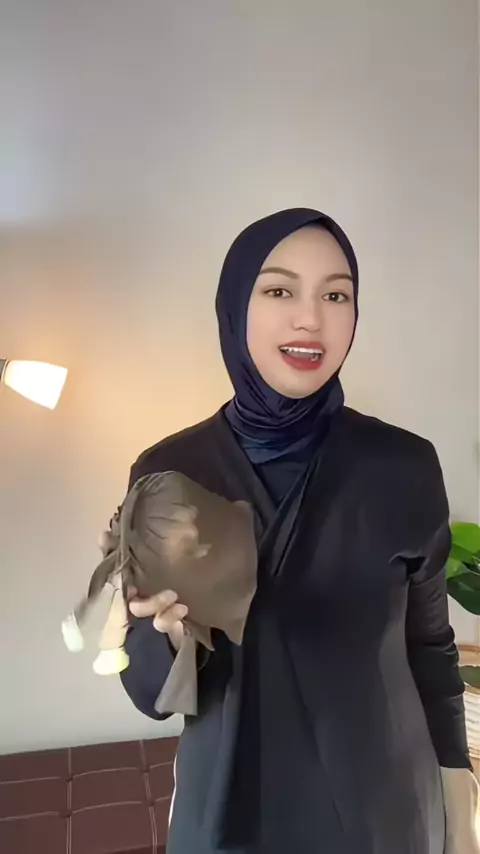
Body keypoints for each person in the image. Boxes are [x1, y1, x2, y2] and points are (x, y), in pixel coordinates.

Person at [117, 209, 479, 854]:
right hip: (229, 812)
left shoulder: (404, 465)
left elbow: (429, 646)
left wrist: (460, 799)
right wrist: (164, 637)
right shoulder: (170, 472)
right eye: (279, 290)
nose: (311, 318)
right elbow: (152, 696)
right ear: (236, 307)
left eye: (336, 295)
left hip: (384, 811)